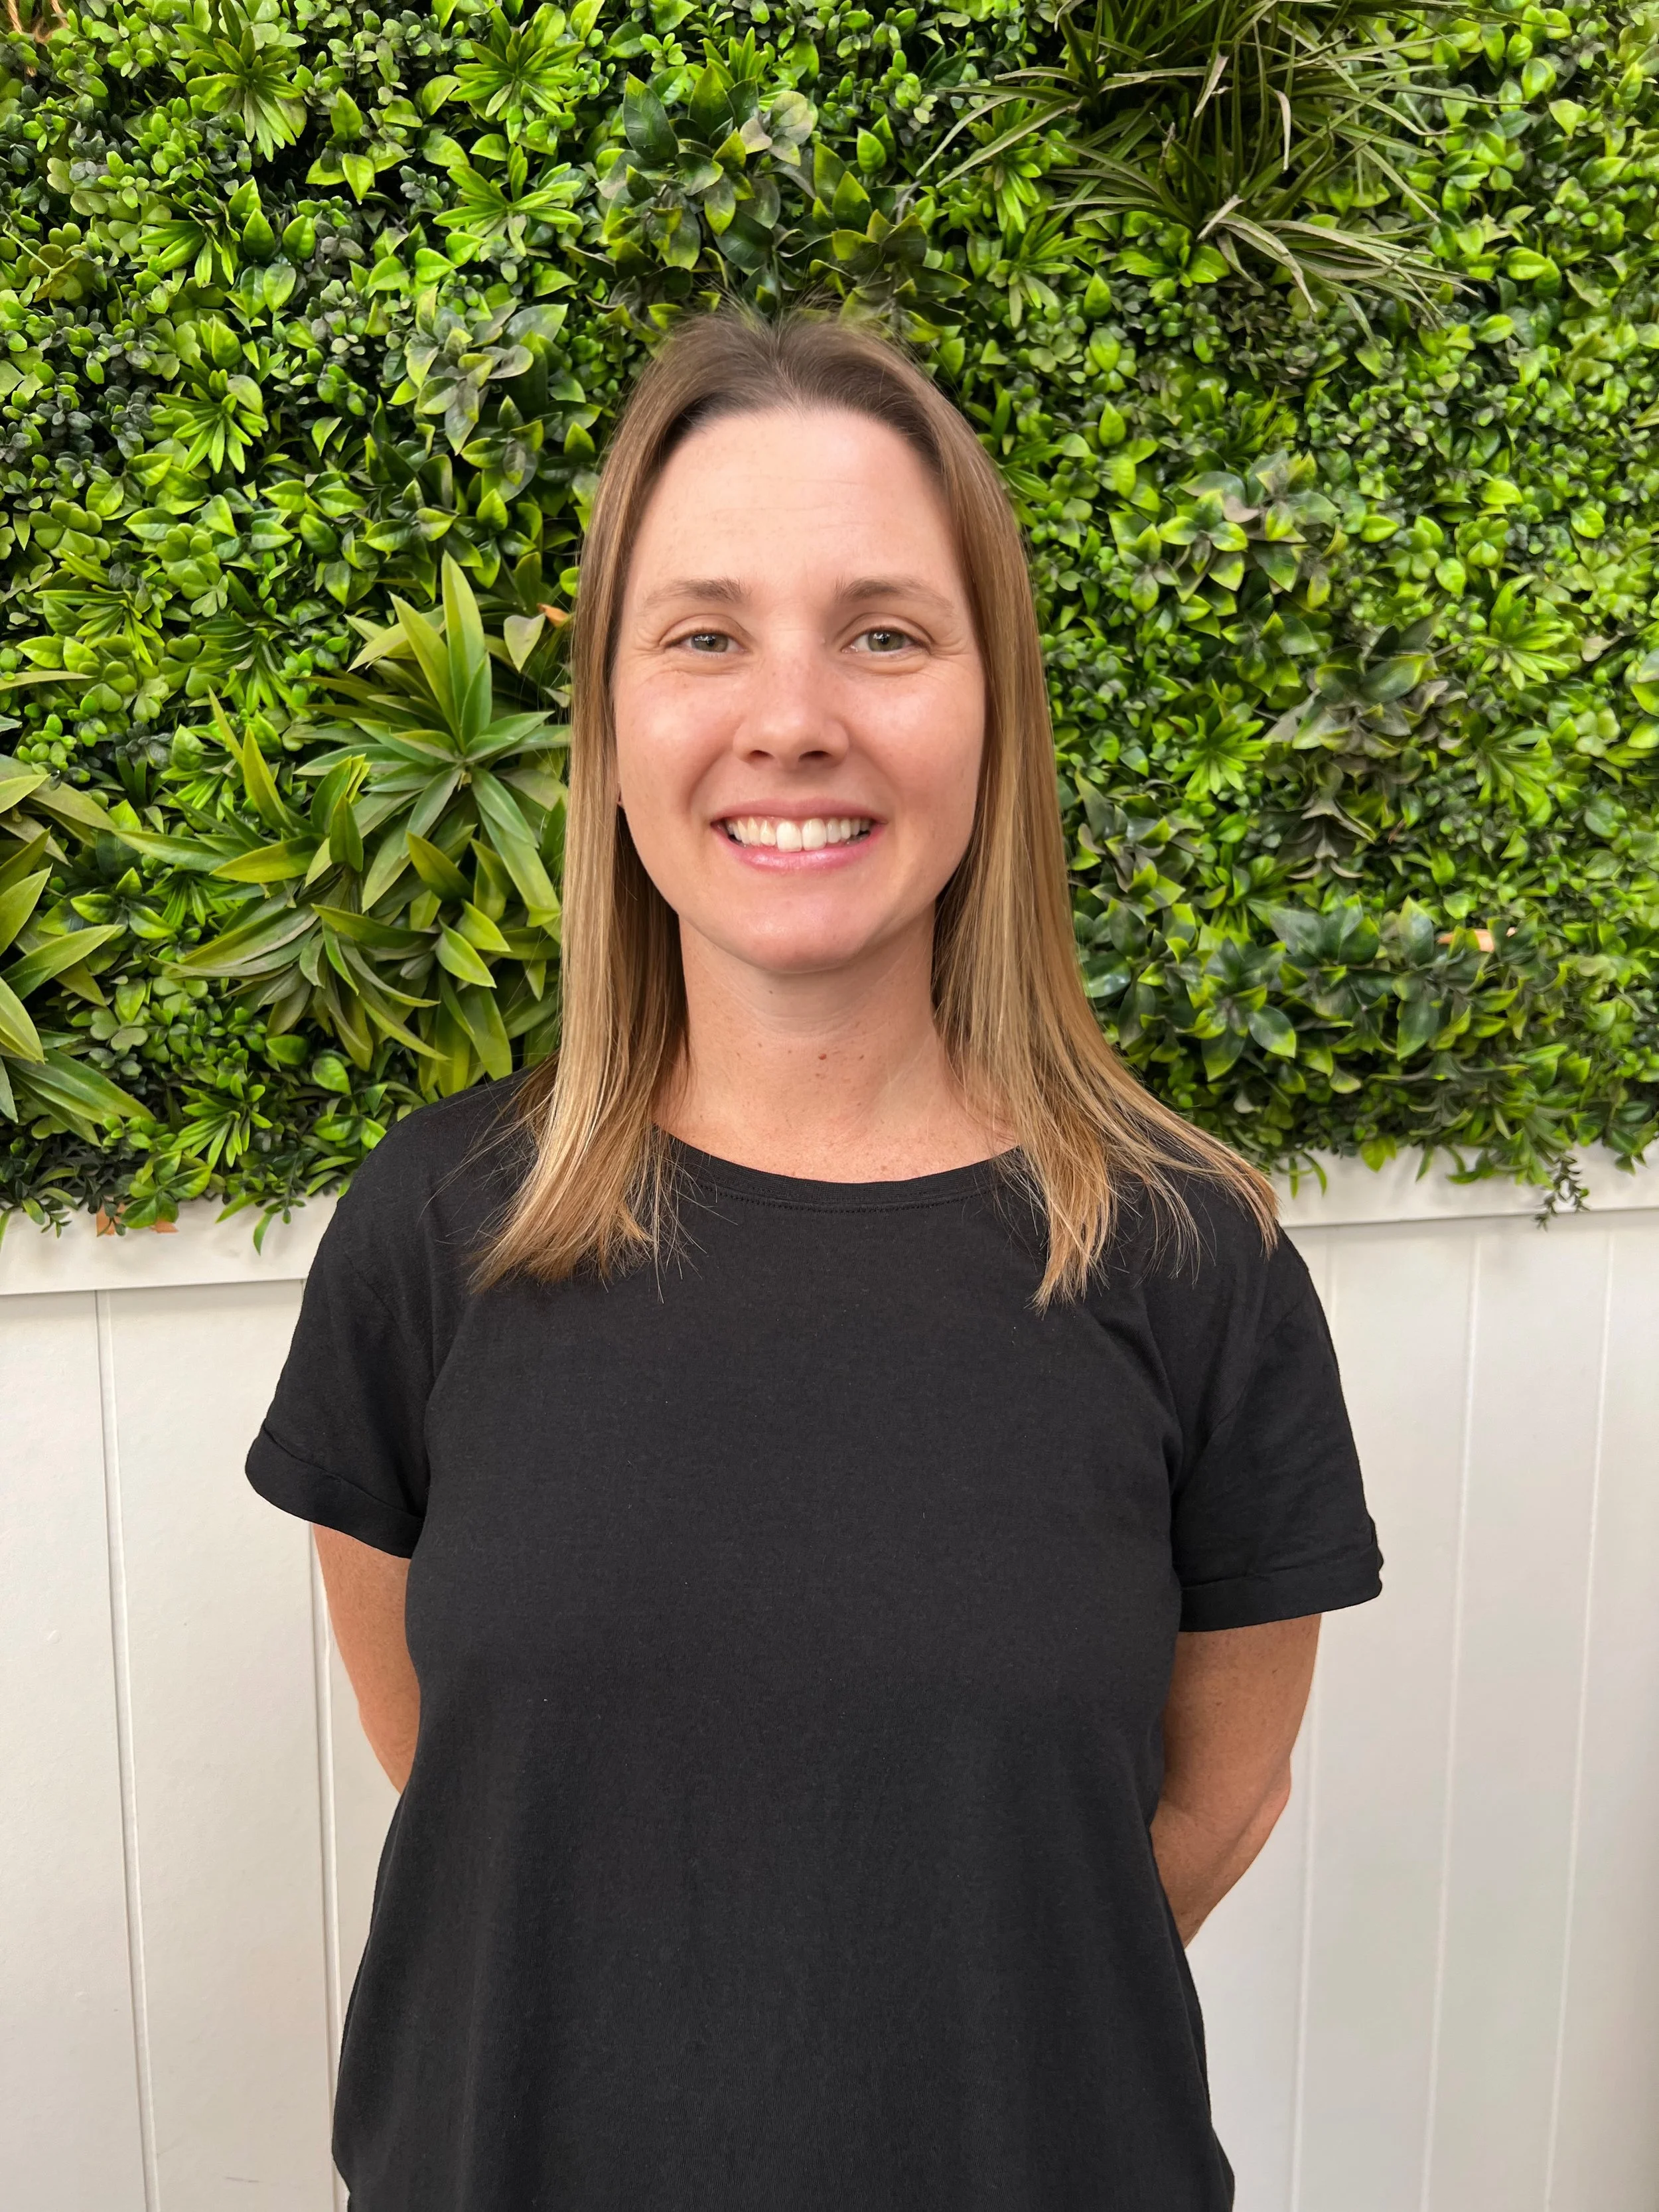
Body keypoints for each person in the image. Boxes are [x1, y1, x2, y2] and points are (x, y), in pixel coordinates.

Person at [246, 300, 1383, 2210]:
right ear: (610, 718)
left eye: (882, 632)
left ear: (990, 709)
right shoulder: (441, 1227)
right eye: (704, 634)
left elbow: (1208, 1803)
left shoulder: (1192, 1258)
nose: (792, 715)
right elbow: (449, 1748)